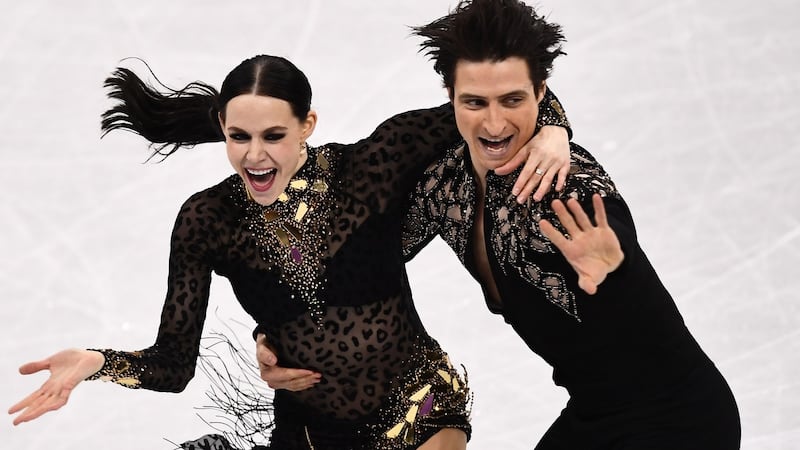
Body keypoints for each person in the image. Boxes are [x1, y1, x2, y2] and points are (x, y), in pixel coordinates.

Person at [7, 53, 573, 449]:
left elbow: (496, 112)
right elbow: (174, 367)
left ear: (307, 125)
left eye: (273, 136)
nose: (255, 156)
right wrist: (97, 364)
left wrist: (552, 131)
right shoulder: (207, 221)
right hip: (311, 429)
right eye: (239, 137)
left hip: (419, 399)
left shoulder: (373, 165)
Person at [257, 1, 742, 448]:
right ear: (450, 97)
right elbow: (350, 261)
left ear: (541, 94)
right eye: (475, 103)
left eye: (513, 100)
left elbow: (607, 223)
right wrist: (276, 335)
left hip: (680, 419)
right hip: (594, 413)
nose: (493, 123)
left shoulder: (562, 180)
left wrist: (617, 262)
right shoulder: (443, 182)